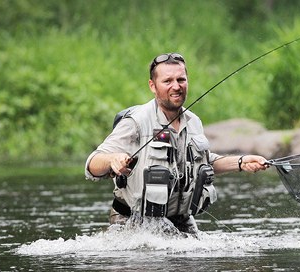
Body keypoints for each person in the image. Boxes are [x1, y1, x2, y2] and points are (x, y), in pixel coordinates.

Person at [85, 52, 268, 234]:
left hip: (181, 220)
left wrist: (242, 162)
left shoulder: (193, 121)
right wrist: (113, 159)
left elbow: (204, 163)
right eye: (167, 81)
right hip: (132, 221)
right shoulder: (136, 122)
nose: (176, 86)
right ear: (153, 86)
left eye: (181, 80)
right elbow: (92, 164)